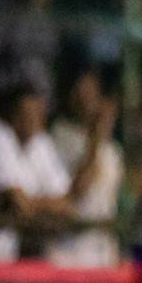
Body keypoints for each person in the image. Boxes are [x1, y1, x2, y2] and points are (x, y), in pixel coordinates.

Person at [0, 87, 73, 262]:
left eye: (38, 114)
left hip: (15, 255)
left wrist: (32, 203)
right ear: (13, 115)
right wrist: (46, 205)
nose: (34, 119)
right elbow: (17, 203)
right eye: (27, 113)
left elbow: (67, 205)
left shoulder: (40, 142)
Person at [49, 69, 123, 267]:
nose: (86, 99)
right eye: (79, 92)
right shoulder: (58, 136)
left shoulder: (111, 148)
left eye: (91, 93)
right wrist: (95, 139)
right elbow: (77, 192)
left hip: (102, 254)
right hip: (68, 253)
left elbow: (132, 195)